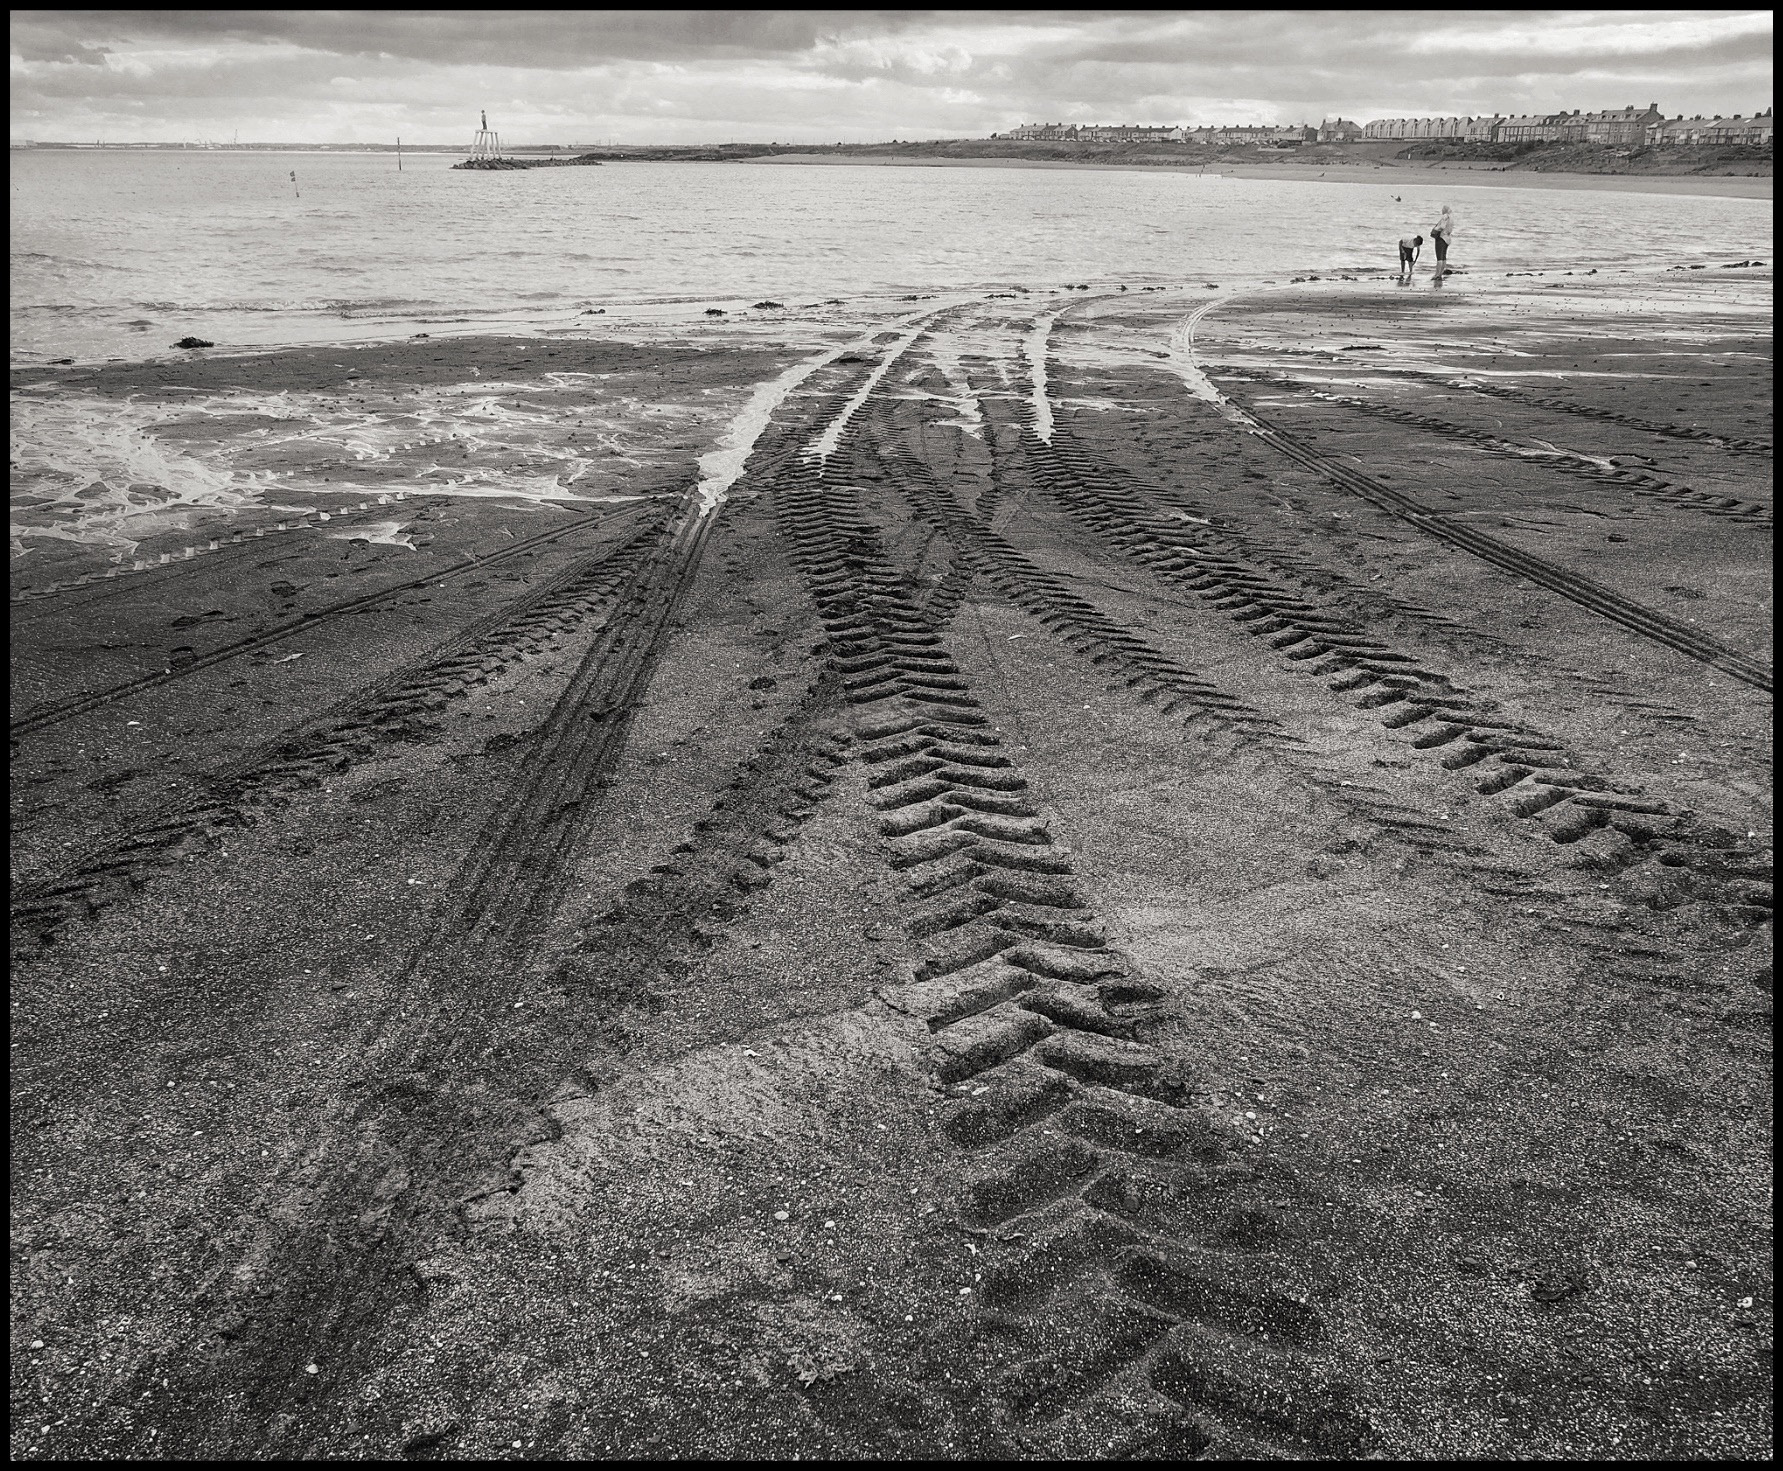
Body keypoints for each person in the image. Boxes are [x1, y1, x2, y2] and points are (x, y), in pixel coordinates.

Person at [1431, 205, 1455, 274]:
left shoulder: (1445, 216)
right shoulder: (1451, 218)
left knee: (1439, 257)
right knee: (1444, 256)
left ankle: (1437, 274)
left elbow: (1442, 226)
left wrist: (1435, 229)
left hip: (1441, 237)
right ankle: (1441, 273)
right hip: (1447, 238)